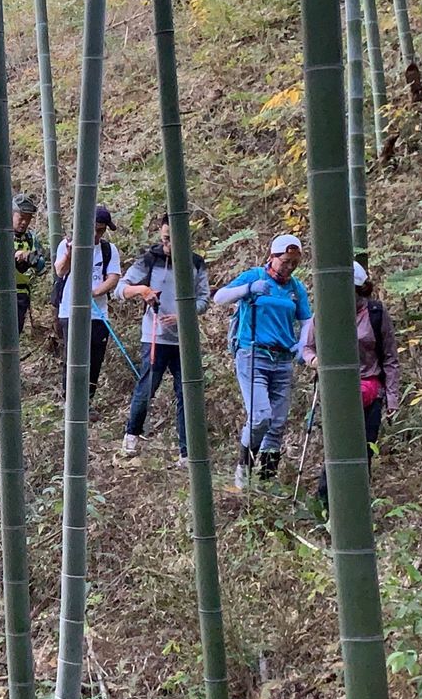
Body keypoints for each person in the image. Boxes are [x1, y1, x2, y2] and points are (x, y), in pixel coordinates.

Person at [215, 233, 312, 489]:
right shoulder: (254, 276)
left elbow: (307, 319)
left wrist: (302, 344)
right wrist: (247, 290)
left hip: (282, 359)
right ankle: (243, 468)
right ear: (272, 257)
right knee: (260, 416)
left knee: (277, 423)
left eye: (294, 262)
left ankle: (267, 480)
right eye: (285, 261)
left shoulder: (295, 288)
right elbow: (220, 297)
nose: (289, 267)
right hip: (253, 354)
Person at [298, 262, 400, 504]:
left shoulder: (376, 313)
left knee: (364, 448)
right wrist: (315, 361)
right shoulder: (326, 312)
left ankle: (357, 505)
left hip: (370, 389)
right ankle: (327, 503)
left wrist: (393, 398)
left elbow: (390, 357)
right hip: (336, 390)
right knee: (337, 450)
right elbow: (307, 348)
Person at [117, 218, 208, 462]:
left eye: (171, 238)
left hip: (184, 340)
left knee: (185, 393)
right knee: (147, 387)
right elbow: (121, 289)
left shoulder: (196, 263)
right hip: (154, 336)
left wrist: (183, 316)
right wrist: (142, 291)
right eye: (164, 237)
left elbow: (204, 299)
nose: (166, 243)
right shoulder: (150, 259)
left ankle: (187, 453)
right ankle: (131, 437)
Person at [54, 205, 124, 401]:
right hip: (70, 310)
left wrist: (94, 292)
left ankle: (87, 401)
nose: (97, 233)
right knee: (73, 357)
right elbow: (60, 271)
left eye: (102, 229)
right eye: (95, 228)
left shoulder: (109, 249)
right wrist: (70, 253)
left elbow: (113, 277)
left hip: (97, 312)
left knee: (95, 358)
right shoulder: (66, 244)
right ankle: (70, 400)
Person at [0, 195, 45, 332]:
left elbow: (41, 264)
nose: (24, 222)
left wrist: (31, 259)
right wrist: (13, 254)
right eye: (21, 218)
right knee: (4, 328)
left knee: (16, 331)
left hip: (21, 290)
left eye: (28, 219)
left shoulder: (30, 237)